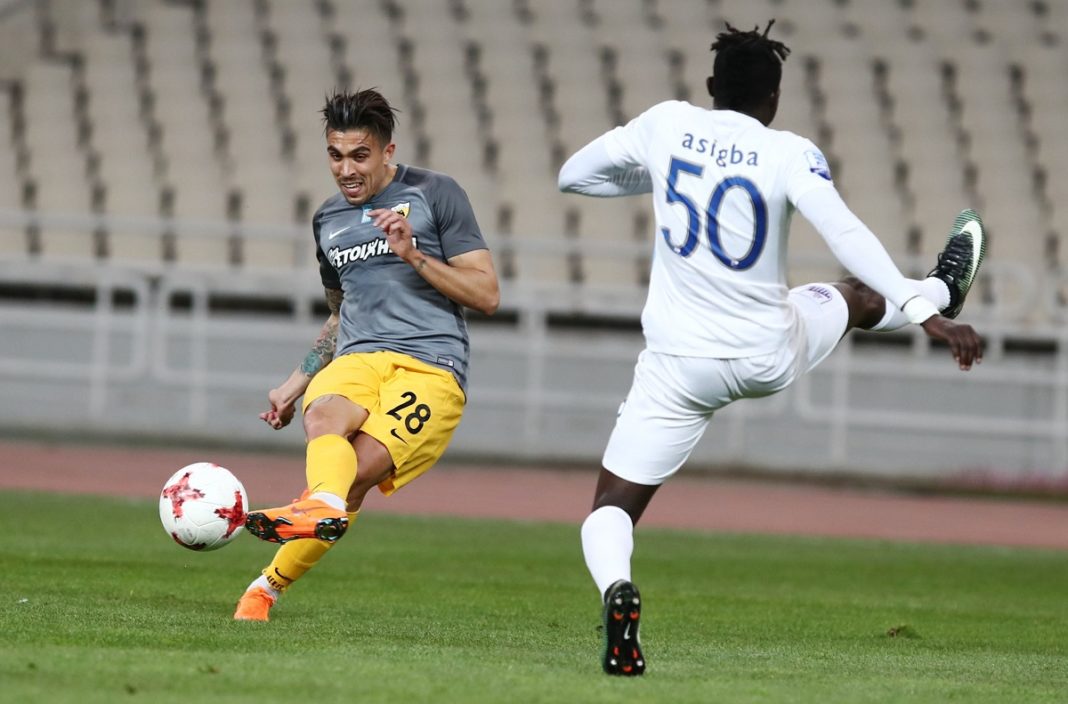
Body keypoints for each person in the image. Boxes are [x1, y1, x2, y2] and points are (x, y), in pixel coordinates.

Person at [557, 21, 985, 676]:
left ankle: (619, 588)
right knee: (855, 296)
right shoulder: (789, 151)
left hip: (678, 366)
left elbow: (574, 177)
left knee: (610, 509)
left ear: (710, 85)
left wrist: (666, 174)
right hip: (766, 352)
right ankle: (943, 289)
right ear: (775, 97)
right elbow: (844, 231)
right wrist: (922, 312)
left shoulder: (666, 124)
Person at [233, 89, 500, 621]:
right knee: (322, 418)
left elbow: (487, 294)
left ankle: (266, 586)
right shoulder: (328, 220)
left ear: (386, 151)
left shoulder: (436, 193)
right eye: (335, 156)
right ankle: (315, 512)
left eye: (360, 156)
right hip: (358, 356)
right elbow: (340, 314)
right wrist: (292, 386)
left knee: (352, 476)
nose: (346, 170)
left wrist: (412, 254)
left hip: (431, 366)